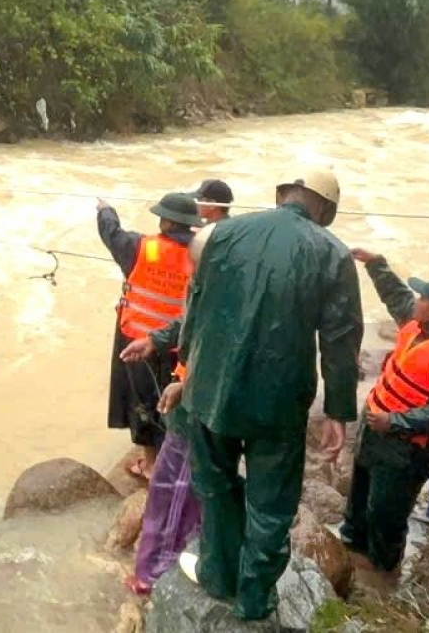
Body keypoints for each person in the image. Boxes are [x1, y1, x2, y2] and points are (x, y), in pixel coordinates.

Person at [177, 169, 362, 622]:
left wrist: (186, 369)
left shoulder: (220, 233)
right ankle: (254, 599)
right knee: (271, 503)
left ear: (282, 194)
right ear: (327, 210)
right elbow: (340, 339)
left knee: (214, 486)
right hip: (277, 402)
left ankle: (216, 574)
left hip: (210, 389)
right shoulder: (333, 254)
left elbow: (194, 307)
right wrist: (338, 410)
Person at [118, 187, 233, 596]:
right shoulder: (214, 286)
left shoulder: (149, 250)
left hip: (194, 396)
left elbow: (211, 342)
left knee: (172, 488)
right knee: (196, 485)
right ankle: (190, 547)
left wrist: (183, 385)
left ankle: (151, 576)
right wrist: (157, 341)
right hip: (177, 366)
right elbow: (190, 327)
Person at [340, 252, 429, 584]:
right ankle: (350, 540)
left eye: (423, 297)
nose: (415, 301)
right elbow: (396, 295)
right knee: (360, 490)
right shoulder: (415, 323)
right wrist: (375, 263)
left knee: (386, 513)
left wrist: (397, 422)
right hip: (376, 429)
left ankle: (382, 571)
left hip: (407, 448)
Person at [97, 192, 201, 478]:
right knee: (173, 401)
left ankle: (152, 464)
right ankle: (177, 459)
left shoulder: (142, 248)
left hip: (138, 342)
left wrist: (106, 210)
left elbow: (112, 234)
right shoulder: (202, 253)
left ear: (166, 222)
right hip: (181, 344)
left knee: (141, 402)